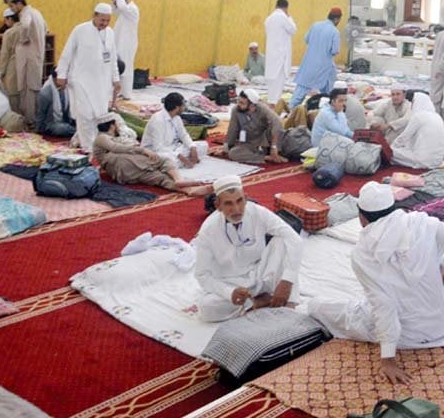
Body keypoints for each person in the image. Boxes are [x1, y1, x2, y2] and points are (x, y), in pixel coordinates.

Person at [308, 182, 444, 384]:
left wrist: (388, 359)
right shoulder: (422, 226)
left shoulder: (363, 253)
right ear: (393, 208)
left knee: (319, 307)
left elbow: (384, 306)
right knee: (369, 302)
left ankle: (307, 308)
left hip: (409, 336)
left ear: (361, 217)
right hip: (443, 325)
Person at [194, 175, 303, 322]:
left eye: (240, 201)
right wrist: (229, 292)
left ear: (245, 198)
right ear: (218, 205)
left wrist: (287, 281)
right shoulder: (208, 230)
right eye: (228, 204)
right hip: (233, 284)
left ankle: (287, 304)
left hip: (261, 275)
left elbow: (294, 239)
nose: (236, 209)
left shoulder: (258, 212)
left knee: (282, 241)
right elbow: (202, 275)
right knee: (207, 308)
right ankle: (258, 302)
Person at [56, 3, 121, 152]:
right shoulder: (80, 30)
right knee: (84, 114)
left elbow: (113, 58)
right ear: (94, 15)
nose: (104, 24)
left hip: (101, 81)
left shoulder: (110, 33)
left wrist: (116, 79)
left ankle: (86, 140)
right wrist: (61, 74)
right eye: (102, 20)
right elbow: (67, 53)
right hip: (80, 79)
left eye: (107, 21)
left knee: (98, 114)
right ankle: (88, 147)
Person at [93, 113, 210, 195]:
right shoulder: (102, 137)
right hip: (122, 163)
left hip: (126, 171)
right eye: (117, 124)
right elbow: (117, 148)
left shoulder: (111, 138)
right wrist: (142, 150)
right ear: (112, 125)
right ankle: (179, 180)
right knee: (162, 160)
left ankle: (188, 190)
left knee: (156, 177)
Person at [6, 0, 47, 124]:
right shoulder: (37, 12)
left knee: (28, 90)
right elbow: (46, 29)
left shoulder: (26, 14)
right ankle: (35, 120)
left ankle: (29, 121)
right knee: (34, 88)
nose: (12, 10)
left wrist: (23, 39)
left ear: (19, 3)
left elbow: (25, 25)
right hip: (37, 56)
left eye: (12, 6)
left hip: (28, 57)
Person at [289, 8, 342, 108]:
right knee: (329, 93)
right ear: (337, 19)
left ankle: (289, 112)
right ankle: (328, 110)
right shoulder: (334, 32)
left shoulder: (315, 25)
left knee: (300, 92)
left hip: (308, 64)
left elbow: (306, 39)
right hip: (324, 66)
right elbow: (335, 50)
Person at [141, 92, 208, 168]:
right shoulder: (157, 120)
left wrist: (192, 148)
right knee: (169, 160)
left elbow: (183, 135)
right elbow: (158, 147)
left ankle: (185, 160)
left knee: (202, 146)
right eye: (183, 106)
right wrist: (179, 156)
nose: (184, 108)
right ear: (177, 107)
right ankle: (182, 161)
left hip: (173, 147)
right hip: (155, 151)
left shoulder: (177, 118)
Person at [225, 89, 286, 164]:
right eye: (238, 101)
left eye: (242, 103)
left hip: (266, 140)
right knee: (233, 153)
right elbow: (232, 130)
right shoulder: (236, 110)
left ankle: (273, 152)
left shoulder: (262, 108)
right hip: (250, 142)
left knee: (281, 137)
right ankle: (266, 157)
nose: (238, 104)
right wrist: (226, 148)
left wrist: (274, 146)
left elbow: (277, 122)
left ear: (252, 105)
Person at [391, 93, 444, 169]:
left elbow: (404, 137)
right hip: (438, 160)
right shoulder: (437, 116)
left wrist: (391, 147)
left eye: (413, 102)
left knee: (391, 152)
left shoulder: (418, 117)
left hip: (423, 160)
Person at [264, 0, 297, 105]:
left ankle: (271, 101)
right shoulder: (283, 17)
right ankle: (274, 104)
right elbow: (293, 30)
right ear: (286, 7)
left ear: (276, 5)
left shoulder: (268, 19)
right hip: (281, 56)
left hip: (271, 55)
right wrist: (289, 17)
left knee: (271, 84)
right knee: (278, 83)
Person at [111, 0, 140, 100]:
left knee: (126, 68)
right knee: (118, 66)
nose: (116, 5)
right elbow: (114, 11)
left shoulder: (132, 9)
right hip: (120, 43)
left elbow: (122, 6)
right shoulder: (124, 12)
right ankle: (120, 91)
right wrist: (115, 3)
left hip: (127, 44)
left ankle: (126, 93)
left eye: (116, 2)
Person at [36, 70, 75, 137]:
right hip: (52, 123)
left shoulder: (67, 88)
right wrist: (38, 131)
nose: (66, 81)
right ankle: (78, 131)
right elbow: (40, 114)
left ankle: (78, 131)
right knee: (61, 128)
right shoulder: (45, 93)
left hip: (67, 120)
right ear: (55, 79)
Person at [0, 8, 21, 110]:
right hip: (29, 68)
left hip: (14, 67)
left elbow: (5, 54)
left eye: (5, 20)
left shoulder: (9, 33)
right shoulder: (29, 29)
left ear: (10, 18)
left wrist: (2, 72)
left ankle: (18, 122)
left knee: (13, 96)